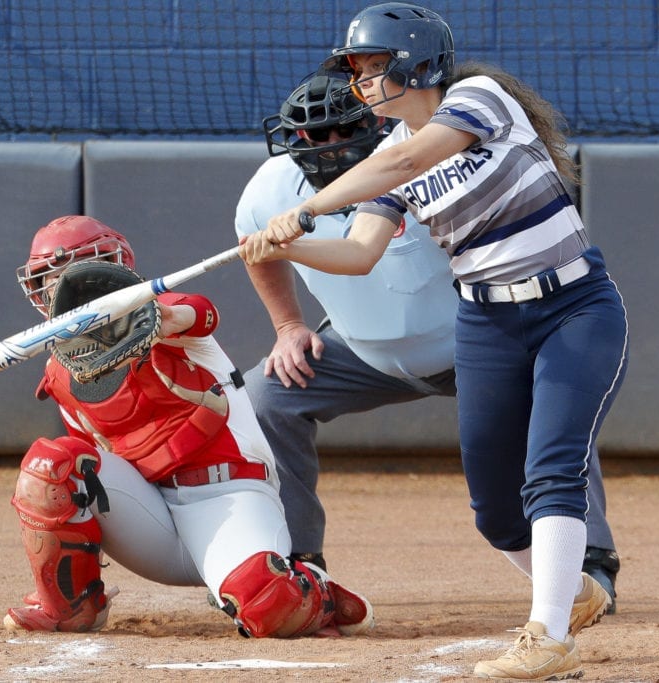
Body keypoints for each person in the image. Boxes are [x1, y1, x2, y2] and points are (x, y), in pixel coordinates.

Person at [240, 3, 628, 679]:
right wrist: (290, 244)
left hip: (572, 307)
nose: (361, 82)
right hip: (487, 324)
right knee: (495, 510)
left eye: (371, 67)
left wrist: (306, 208)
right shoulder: (387, 157)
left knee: (551, 465)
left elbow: (416, 156)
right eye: (355, 70)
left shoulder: (478, 100)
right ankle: (575, 592)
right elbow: (360, 252)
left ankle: (549, 633)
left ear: (416, 64)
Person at [2, 214, 374, 639]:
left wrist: (149, 319)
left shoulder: (169, 318)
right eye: (50, 278)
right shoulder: (62, 371)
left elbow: (200, 313)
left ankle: (313, 588)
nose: (64, 286)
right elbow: (91, 470)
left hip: (228, 497)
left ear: (114, 267)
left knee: (268, 607)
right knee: (50, 466)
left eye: (80, 269)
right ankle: (68, 607)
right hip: (149, 515)